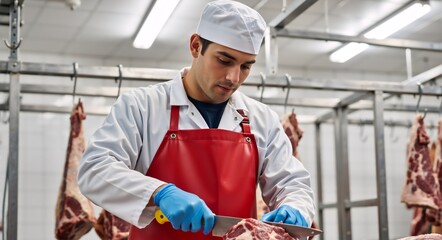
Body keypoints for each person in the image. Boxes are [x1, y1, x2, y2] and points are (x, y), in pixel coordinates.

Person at [78, 1, 315, 239]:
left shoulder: (261, 118)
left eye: (246, 66)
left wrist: (294, 207)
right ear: (195, 46)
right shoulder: (142, 106)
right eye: (224, 60)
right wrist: (160, 192)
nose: (233, 77)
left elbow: (292, 183)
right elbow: (95, 170)